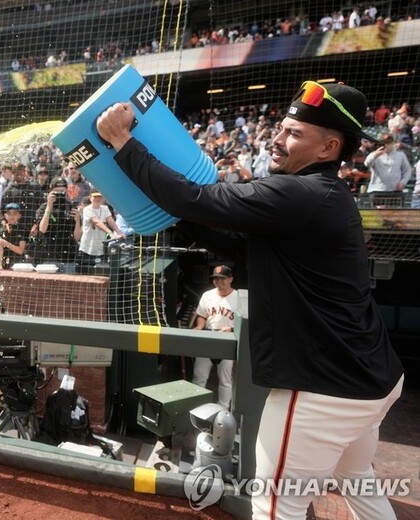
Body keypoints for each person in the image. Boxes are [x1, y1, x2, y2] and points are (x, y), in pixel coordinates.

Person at [96, 81, 404, 519]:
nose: (277, 139)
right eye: (281, 128)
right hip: (370, 381)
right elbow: (238, 247)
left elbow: (195, 197)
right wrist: (179, 216)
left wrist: (124, 143)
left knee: (275, 507)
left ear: (328, 147)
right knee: (359, 484)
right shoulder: (321, 196)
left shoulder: (301, 193)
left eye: (294, 133)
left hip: (323, 390)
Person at [191, 265, 239, 409]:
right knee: (199, 378)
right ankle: (197, 408)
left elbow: (245, 322)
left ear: (230, 279)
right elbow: (201, 315)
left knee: (225, 381)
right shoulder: (207, 295)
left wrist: (232, 328)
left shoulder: (238, 297)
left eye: (222, 278)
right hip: (209, 337)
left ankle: (223, 410)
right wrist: (199, 326)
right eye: (216, 278)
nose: (219, 281)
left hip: (227, 340)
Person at [34, 176, 82, 270]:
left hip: (68, 256)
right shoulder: (44, 207)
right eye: (56, 191)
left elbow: (77, 237)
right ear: (50, 191)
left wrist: (77, 220)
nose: (59, 194)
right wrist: (49, 207)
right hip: (48, 254)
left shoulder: (71, 207)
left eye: (62, 191)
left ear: (66, 190)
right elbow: (42, 229)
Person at [76, 191, 123, 273]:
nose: (97, 199)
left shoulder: (105, 208)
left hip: (101, 248)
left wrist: (119, 232)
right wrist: (111, 233)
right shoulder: (87, 209)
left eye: (100, 197)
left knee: (100, 272)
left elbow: (110, 220)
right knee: (84, 273)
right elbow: (97, 222)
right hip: (87, 248)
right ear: (90, 198)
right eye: (95, 197)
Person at [364, 134, 412, 207]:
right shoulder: (374, 154)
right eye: (384, 143)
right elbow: (367, 164)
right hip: (377, 189)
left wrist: (403, 182)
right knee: (379, 212)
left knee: (397, 213)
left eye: (388, 142)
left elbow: (407, 170)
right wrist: (375, 155)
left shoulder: (400, 155)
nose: (386, 145)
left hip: (395, 190)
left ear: (392, 143)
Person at [0, 202, 29, 270]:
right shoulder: (0, 230)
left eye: (15, 213)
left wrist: (6, 244)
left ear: (19, 215)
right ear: (5, 216)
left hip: (18, 264)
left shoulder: (23, 229)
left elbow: (20, 251)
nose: (12, 216)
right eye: (9, 214)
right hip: (4, 264)